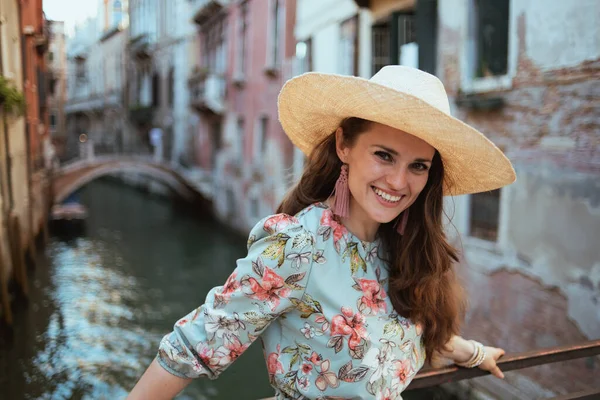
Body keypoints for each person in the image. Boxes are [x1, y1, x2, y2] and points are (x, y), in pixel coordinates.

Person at [128, 66, 515, 399]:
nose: (399, 182)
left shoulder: (398, 248)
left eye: (418, 166)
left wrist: (472, 353)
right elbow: (191, 348)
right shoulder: (296, 247)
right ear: (344, 144)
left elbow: (395, 327)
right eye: (384, 155)